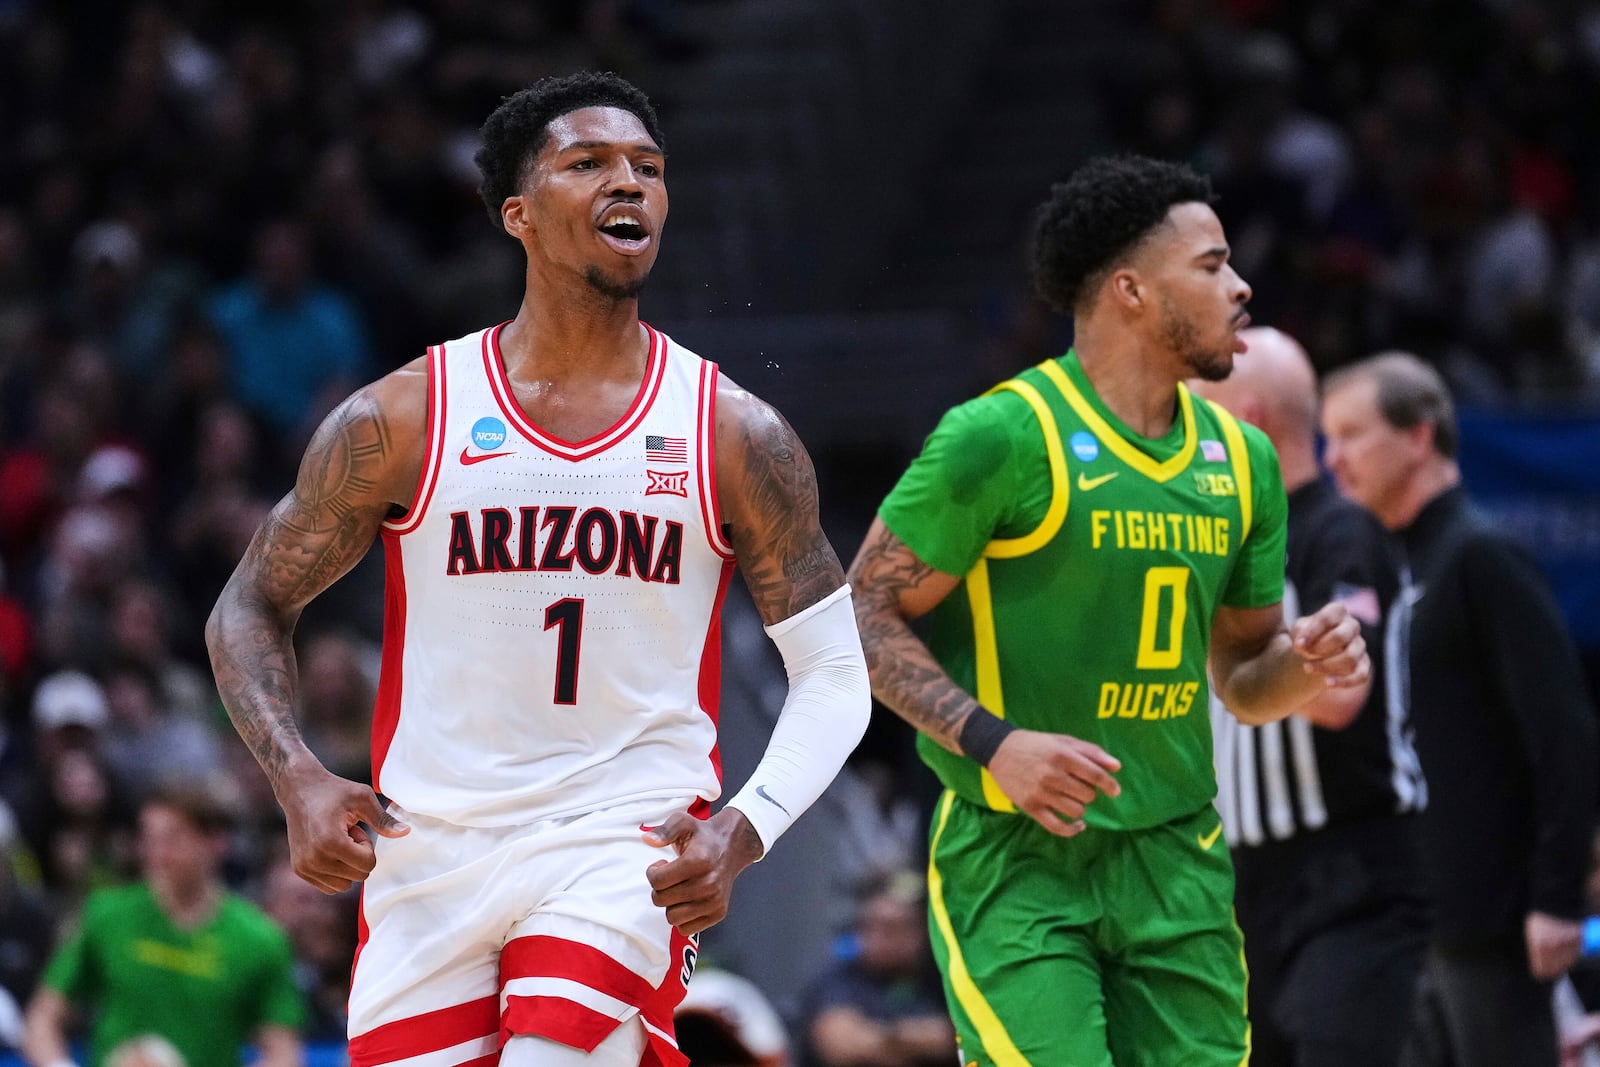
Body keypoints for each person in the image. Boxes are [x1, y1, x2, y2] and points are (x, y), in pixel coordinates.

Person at [204, 70, 870, 1067]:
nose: (630, 184)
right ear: (517, 212)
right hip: (428, 851)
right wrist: (294, 775)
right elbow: (250, 602)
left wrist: (745, 827)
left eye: (648, 168)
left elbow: (836, 671)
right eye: (589, 162)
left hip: (620, 841)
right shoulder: (406, 415)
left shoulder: (731, 431)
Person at [847, 154, 1370, 1066]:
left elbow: (1243, 680)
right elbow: (857, 614)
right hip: (1019, 859)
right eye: (1211, 266)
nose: (1241, 286)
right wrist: (994, 741)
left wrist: (1304, 665)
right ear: (1131, 289)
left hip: (1176, 858)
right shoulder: (1001, 436)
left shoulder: (1245, 463)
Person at [1320, 352, 1600, 1067]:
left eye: (1351, 434)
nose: (1335, 459)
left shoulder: (1482, 554)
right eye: (1328, 438)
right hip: (1424, 916)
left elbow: (1563, 732)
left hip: (1497, 921)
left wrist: (1559, 896)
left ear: (1418, 436)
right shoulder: (1400, 562)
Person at [1190, 327, 1430, 1066]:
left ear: (1248, 418)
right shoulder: (1208, 538)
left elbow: (1337, 697)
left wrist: (1204, 631)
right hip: (1242, 876)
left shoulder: (1338, 530)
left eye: (1198, 410)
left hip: (1352, 871)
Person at [20, 779, 305, 1067]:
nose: (156, 853)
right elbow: (43, 1018)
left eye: (172, 839)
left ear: (216, 842)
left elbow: (282, 1050)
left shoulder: (259, 939)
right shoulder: (106, 914)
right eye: (149, 839)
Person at [797, 870, 954, 1067]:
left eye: (898, 927)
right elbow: (843, 1046)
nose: (884, 938)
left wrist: (885, 1039)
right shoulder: (837, 980)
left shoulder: (939, 980)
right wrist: (923, 1037)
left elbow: (970, 1037)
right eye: (876, 926)